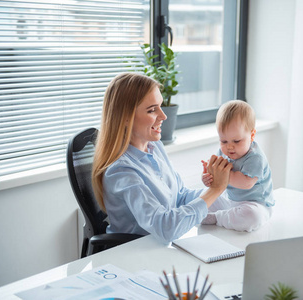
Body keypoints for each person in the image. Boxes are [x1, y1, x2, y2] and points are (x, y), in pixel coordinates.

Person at [92, 73, 232, 244]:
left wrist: (228, 190)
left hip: (162, 247)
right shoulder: (121, 171)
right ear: (125, 117)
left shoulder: (154, 146)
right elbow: (165, 227)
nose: (163, 116)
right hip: (136, 254)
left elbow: (180, 197)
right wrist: (214, 190)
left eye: (160, 106)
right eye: (152, 110)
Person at [201, 100, 275, 232]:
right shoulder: (223, 153)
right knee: (201, 196)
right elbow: (216, 183)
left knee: (253, 217)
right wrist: (208, 177)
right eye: (223, 141)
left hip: (255, 204)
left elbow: (245, 183)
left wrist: (221, 174)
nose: (229, 147)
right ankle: (224, 215)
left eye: (236, 141)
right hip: (230, 201)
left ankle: (218, 218)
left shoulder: (255, 157)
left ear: (251, 135)